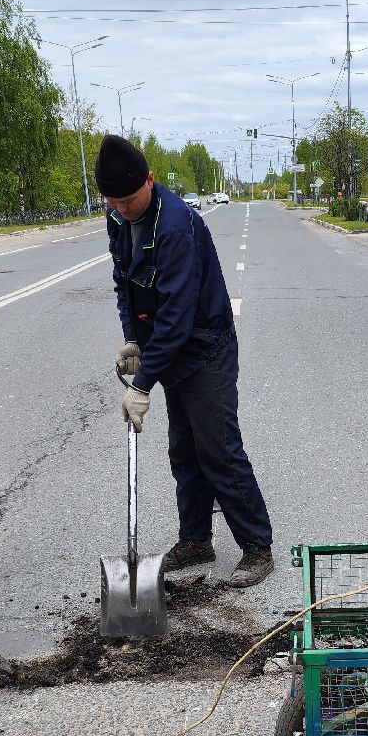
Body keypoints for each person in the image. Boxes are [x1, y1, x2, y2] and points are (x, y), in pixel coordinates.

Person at [95, 133, 275, 588]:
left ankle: (257, 546)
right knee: (184, 451)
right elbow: (124, 282)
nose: (122, 209)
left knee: (218, 448)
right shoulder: (118, 219)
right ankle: (196, 539)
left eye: (129, 200)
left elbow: (176, 316)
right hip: (168, 350)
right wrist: (133, 339)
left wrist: (142, 384)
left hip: (204, 348)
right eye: (113, 202)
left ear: (150, 182)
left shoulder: (176, 225)